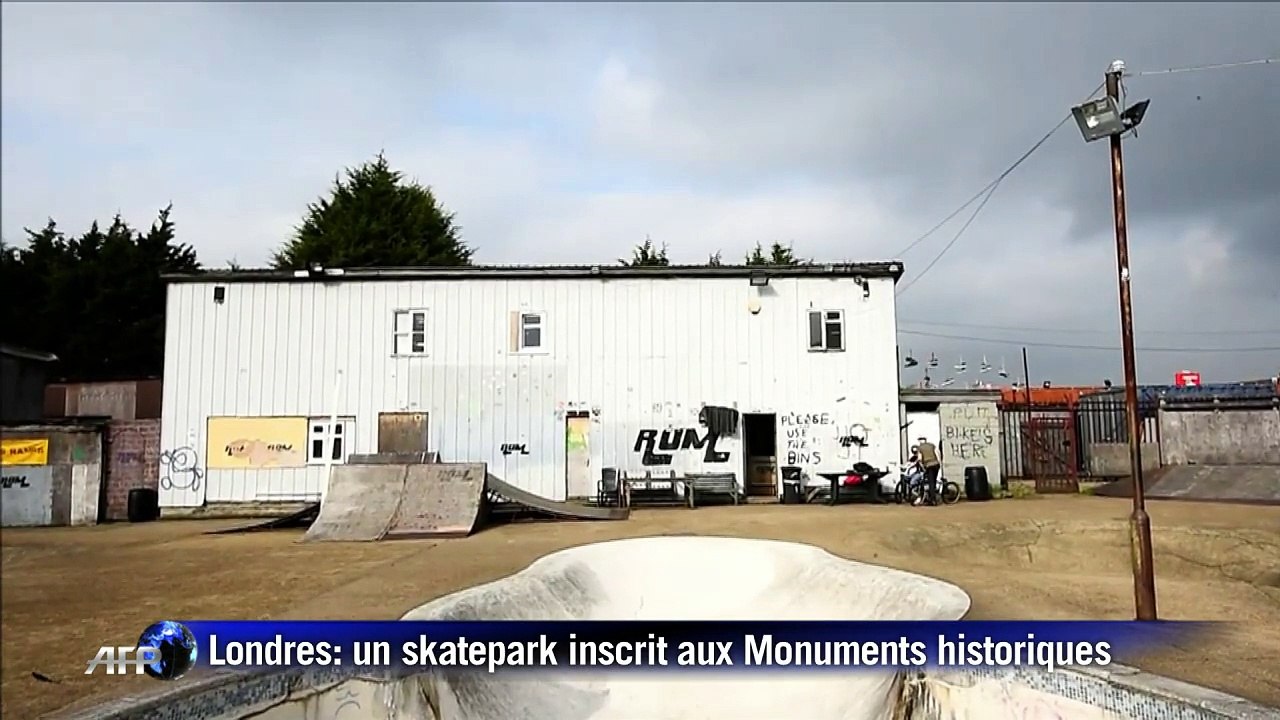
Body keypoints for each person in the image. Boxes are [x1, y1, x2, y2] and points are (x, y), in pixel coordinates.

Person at [914, 437, 942, 506]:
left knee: (931, 482)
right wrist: (939, 463)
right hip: (936, 464)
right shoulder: (932, 445)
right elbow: (938, 453)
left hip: (929, 466)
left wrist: (922, 466)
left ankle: (933, 500)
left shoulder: (920, 448)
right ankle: (932, 496)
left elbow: (920, 459)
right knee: (934, 481)